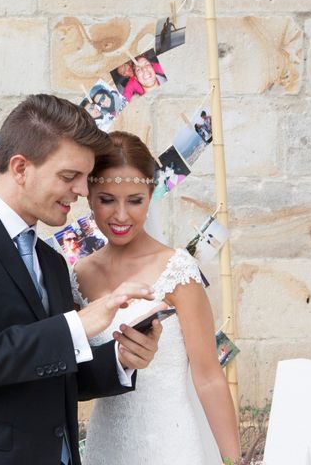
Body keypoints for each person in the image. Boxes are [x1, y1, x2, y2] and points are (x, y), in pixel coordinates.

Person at [0, 94, 162, 465]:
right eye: (70, 176)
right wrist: (78, 325)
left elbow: (49, 374)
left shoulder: (51, 261)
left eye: (86, 179)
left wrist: (120, 358)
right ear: (21, 168)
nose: (83, 192)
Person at [72, 131, 240, 464]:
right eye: (107, 199)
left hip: (172, 443)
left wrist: (234, 461)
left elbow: (207, 376)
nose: (121, 215)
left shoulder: (177, 269)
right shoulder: (78, 276)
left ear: (151, 196)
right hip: (107, 445)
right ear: (89, 196)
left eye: (135, 200)